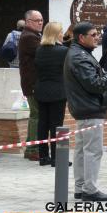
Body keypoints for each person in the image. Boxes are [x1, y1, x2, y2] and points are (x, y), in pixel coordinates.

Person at [64, 22, 107, 202]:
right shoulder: (80, 57)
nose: (97, 37)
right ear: (81, 37)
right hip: (89, 109)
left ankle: (81, 188)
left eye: (97, 34)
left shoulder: (80, 54)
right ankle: (90, 189)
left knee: (82, 151)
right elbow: (95, 85)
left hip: (85, 108)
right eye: (93, 35)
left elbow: (93, 78)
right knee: (92, 151)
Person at [34, 22, 69, 167]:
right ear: (56, 34)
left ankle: (43, 157)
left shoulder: (39, 50)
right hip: (58, 92)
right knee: (57, 125)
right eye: (60, 31)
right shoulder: (63, 51)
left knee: (43, 123)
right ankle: (56, 158)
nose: (62, 34)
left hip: (41, 90)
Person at [18, 10, 44, 161]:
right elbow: (43, 53)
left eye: (41, 20)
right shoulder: (29, 37)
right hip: (32, 83)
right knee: (36, 115)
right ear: (28, 22)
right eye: (36, 20)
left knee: (36, 115)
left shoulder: (33, 35)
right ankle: (33, 149)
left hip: (34, 82)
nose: (40, 22)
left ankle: (31, 147)